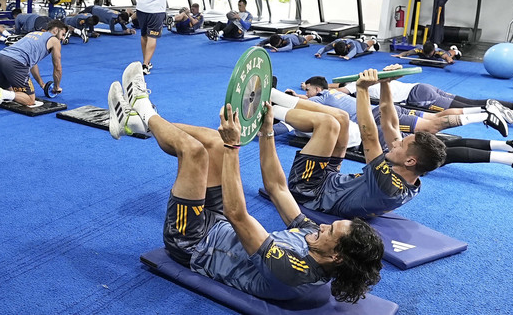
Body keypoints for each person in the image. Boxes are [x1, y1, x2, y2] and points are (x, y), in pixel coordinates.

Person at [105, 62, 384, 305]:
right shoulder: (317, 240)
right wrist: (266, 133)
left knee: (194, 152)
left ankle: (142, 107)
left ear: (336, 257)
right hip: (219, 224)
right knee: (213, 141)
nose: (323, 225)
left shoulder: (293, 271)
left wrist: (233, 147)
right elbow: (277, 188)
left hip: (193, 242)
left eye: (330, 230)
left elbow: (237, 215)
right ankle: (138, 123)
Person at [292, 73, 513, 185]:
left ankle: (510, 152)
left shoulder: (324, 103)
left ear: (316, 91)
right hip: (389, 111)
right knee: (442, 139)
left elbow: (297, 112)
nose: (306, 94)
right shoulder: (334, 95)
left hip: (378, 124)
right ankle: (511, 146)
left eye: (308, 91)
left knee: (439, 147)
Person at [336, 78, 513, 135]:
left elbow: (335, 92)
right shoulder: (366, 78)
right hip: (422, 87)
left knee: (464, 109)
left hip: (419, 97)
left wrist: (324, 90)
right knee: (472, 102)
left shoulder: (355, 87)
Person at [0, 19, 67, 113]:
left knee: (9, 92)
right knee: (30, 99)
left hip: (0, 58)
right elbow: (57, 67)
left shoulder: (33, 33)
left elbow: (32, 64)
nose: (63, 38)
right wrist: (56, 87)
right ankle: (0, 93)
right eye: (63, 34)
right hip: (15, 63)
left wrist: (42, 84)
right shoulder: (54, 40)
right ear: (55, 30)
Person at [394, 41, 461, 65]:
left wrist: (449, 60)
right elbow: (408, 53)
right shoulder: (420, 50)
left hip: (437, 56)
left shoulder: (438, 52)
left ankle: (455, 50)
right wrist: (400, 55)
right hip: (431, 50)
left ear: (433, 51)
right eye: (426, 54)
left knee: (449, 54)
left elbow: (446, 57)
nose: (428, 56)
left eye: (429, 54)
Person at [314, 37, 379, 60]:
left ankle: (374, 40)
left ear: (347, 46)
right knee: (356, 41)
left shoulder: (351, 44)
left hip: (358, 46)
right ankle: (362, 38)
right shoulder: (335, 43)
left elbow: (353, 51)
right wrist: (319, 53)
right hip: (352, 41)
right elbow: (325, 48)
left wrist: (348, 56)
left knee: (366, 47)